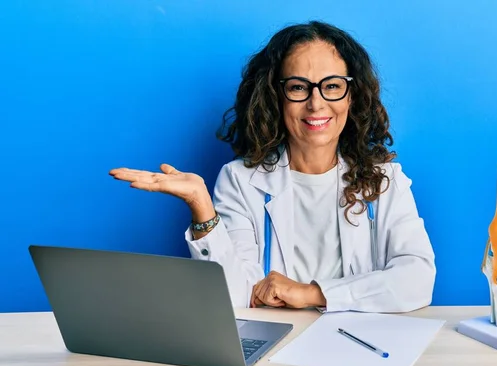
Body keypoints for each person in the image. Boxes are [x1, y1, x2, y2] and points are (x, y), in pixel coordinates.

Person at [109, 20, 436, 313]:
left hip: (362, 349)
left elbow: (417, 280)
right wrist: (201, 207)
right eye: (298, 87)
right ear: (275, 97)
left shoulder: (384, 180)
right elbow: (233, 297)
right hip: (277, 352)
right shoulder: (240, 180)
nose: (316, 103)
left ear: (352, 96)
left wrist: (313, 293)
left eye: (332, 85)